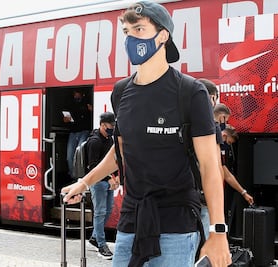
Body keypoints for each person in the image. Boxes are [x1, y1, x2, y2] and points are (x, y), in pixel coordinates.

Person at [62, 2, 231, 267]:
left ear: (163, 35)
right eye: (127, 31)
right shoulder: (121, 92)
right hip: (131, 220)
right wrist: (84, 183)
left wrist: (217, 232)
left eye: (139, 29)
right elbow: (119, 154)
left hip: (176, 223)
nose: (130, 38)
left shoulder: (190, 92)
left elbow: (211, 166)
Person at [199, 78, 254, 239]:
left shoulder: (201, 128)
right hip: (201, 197)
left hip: (197, 196)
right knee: (206, 239)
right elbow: (222, 172)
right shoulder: (211, 132)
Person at [86, 112, 120, 260]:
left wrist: (117, 175)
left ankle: (94, 237)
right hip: (98, 182)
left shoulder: (109, 139)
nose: (112, 128)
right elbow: (93, 166)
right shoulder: (94, 142)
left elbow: (113, 159)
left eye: (113, 126)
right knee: (100, 212)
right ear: (102, 125)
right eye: (110, 126)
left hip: (107, 181)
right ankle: (101, 244)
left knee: (108, 210)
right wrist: (108, 178)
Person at [63, 89, 92, 179]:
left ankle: (82, 178)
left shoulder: (87, 101)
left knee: (80, 154)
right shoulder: (70, 103)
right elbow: (65, 118)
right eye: (74, 93)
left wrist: (91, 110)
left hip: (85, 131)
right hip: (73, 131)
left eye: (77, 93)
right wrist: (66, 119)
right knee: (70, 156)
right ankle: (74, 178)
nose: (76, 95)